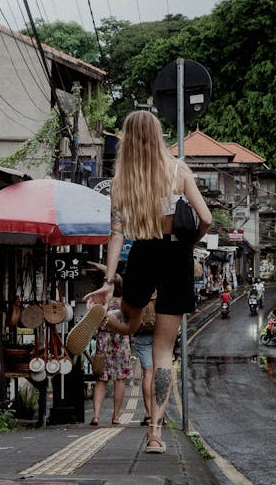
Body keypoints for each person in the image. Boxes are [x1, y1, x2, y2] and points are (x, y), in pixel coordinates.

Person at [69, 109, 212, 454]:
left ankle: (107, 318)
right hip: (176, 256)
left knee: (132, 326)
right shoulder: (178, 171)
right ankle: (155, 433)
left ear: (127, 140)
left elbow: (116, 235)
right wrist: (190, 243)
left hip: (143, 254)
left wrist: (107, 280)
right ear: (158, 134)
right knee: (163, 353)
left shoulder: (122, 182)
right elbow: (206, 217)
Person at [89, 276, 134, 426]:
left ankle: (96, 415)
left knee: (101, 379)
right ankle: (115, 416)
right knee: (119, 379)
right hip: (121, 341)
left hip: (103, 340)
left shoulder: (100, 301)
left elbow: (92, 319)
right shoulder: (125, 301)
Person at [131, 295, 157, 426]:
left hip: (141, 333)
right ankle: (159, 414)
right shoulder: (161, 287)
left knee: (148, 373)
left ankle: (149, 414)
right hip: (159, 332)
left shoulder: (137, 288)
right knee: (160, 372)